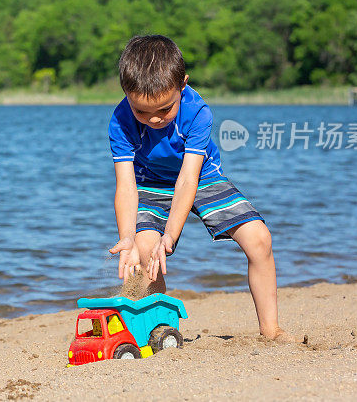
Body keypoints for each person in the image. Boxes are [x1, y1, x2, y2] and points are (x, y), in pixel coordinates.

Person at [107, 35, 289, 340]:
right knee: (144, 251)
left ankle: (271, 331)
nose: (153, 119)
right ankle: (157, 332)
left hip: (201, 177)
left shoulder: (197, 111)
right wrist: (127, 237)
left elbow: (188, 179)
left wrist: (171, 236)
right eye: (141, 112)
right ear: (126, 93)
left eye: (164, 110)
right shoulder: (120, 121)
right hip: (150, 183)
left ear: (182, 85)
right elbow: (126, 185)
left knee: (259, 239)